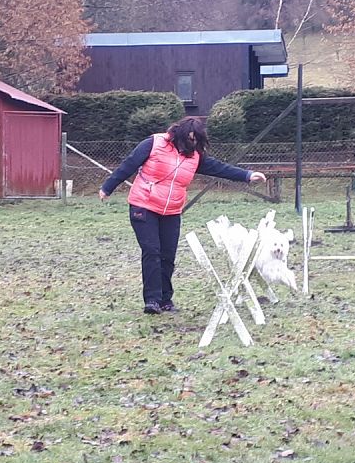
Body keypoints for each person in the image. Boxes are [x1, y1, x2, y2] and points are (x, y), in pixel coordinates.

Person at [99, 116, 266, 315]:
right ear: (179, 135)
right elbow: (128, 165)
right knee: (152, 251)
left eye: (197, 141)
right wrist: (107, 187)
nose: (193, 144)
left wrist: (247, 175)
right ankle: (152, 300)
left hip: (171, 210)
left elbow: (220, 168)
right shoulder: (153, 143)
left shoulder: (195, 156)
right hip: (143, 205)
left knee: (168, 255)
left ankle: (165, 300)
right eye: (190, 139)